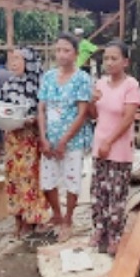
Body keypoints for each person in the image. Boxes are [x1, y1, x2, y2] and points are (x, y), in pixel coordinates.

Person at [87, 40, 140, 255]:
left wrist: (109, 142)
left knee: (116, 194)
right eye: (106, 58)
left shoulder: (131, 85)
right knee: (98, 192)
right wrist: (91, 102)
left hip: (118, 148)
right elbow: (94, 116)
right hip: (99, 145)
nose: (109, 62)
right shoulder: (100, 84)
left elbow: (128, 118)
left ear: (125, 62)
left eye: (114, 58)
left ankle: (114, 235)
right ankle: (98, 230)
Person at [38, 32, 93, 242]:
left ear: (76, 54)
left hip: (73, 142)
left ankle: (69, 219)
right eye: (58, 49)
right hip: (49, 140)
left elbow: (82, 113)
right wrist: (43, 137)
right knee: (48, 182)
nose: (61, 54)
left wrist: (64, 141)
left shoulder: (82, 78)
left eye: (66, 50)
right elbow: (41, 109)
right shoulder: (49, 77)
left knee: (72, 182)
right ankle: (57, 215)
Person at [0, 47, 51, 238]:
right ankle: (18, 217)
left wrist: (33, 120)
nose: (14, 62)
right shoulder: (9, 83)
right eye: (12, 58)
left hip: (30, 140)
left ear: (30, 62)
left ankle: (33, 219)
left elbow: (46, 112)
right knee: (14, 178)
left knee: (31, 178)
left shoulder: (39, 85)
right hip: (12, 140)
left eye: (19, 58)